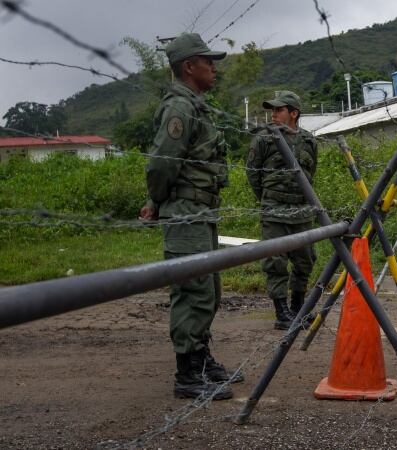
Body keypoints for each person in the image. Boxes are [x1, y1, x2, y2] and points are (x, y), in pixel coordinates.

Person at [139, 33, 242, 400]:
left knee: (208, 289)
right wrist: (157, 200)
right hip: (185, 212)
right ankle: (188, 374)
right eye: (207, 61)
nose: (214, 67)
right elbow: (161, 164)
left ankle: (200, 358)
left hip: (201, 211)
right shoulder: (179, 108)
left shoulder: (196, 106)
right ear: (188, 66)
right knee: (193, 290)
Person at [246, 91, 318, 330]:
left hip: (301, 211)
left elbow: (310, 172)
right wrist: (268, 199)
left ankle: (298, 308)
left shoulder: (309, 141)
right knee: (275, 262)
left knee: (305, 260)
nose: (273, 115)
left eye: (279, 110)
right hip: (274, 210)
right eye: (272, 110)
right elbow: (253, 173)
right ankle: (281, 312)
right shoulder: (264, 140)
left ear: (293, 113)